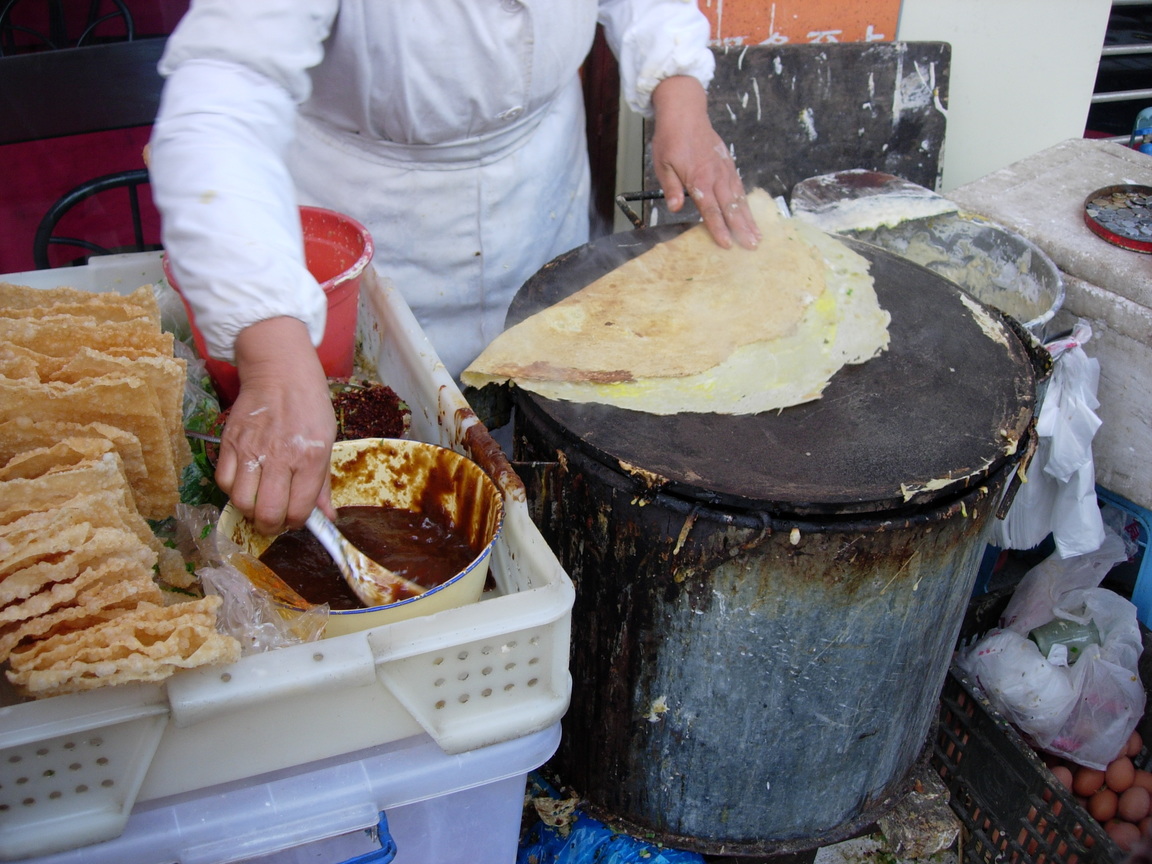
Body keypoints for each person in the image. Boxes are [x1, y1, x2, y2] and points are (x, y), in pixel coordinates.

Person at [149, 1, 760, 537]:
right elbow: (218, 106)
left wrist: (679, 91)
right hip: (375, 206)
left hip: (541, 185)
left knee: (550, 430)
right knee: (395, 467)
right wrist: (275, 361)